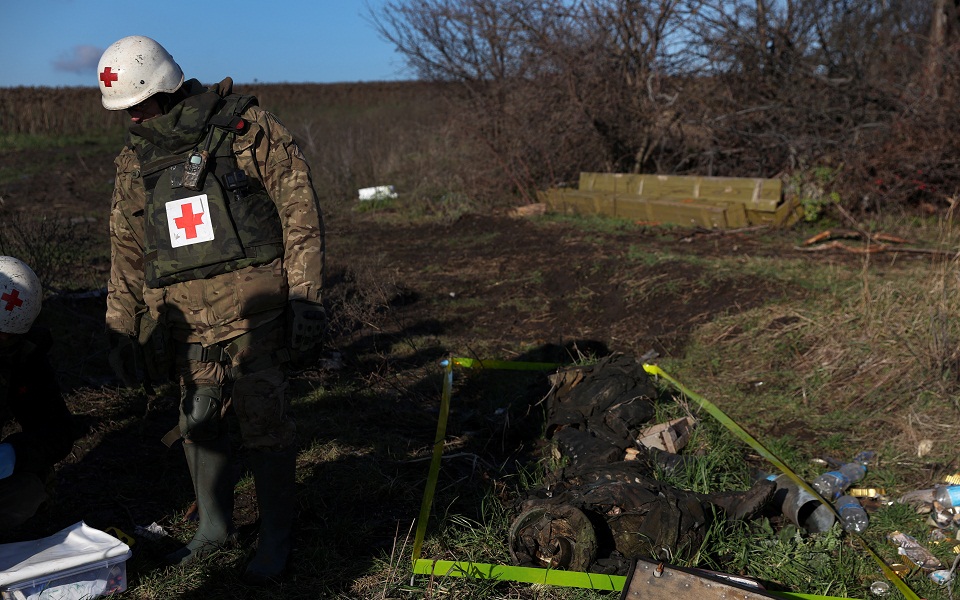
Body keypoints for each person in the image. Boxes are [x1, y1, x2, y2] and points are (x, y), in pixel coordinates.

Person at [97, 35, 326, 585]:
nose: (132, 117)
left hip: (256, 308)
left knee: (264, 422)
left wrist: (305, 298)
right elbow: (126, 249)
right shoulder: (136, 161)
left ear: (167, 86)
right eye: (124, 110)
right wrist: (122, 328)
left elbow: (300, 213)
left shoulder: (245, 130)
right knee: (197, 422)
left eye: (139, 104)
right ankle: (213, 531)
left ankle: (275, 538)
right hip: (184, 316)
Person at [0, 256, 75, 533]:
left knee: (28, 492)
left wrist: (11, 454)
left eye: (6, 337)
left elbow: (57, 430)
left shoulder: (22, 355)